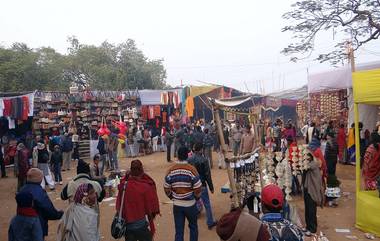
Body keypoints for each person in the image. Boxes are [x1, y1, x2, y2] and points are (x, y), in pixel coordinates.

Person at [164, 146, 202, 241]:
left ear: (177, 156)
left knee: (179, 231)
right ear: (187, 156)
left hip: (177, 205)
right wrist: (196, 198)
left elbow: (166, 188)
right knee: (193, 227)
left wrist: (172, 197)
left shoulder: (171, 170)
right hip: (190, 204)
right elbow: (198, 188)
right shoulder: (192, 170)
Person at [116, 160, 160, 241]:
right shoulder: (145, 187)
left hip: (128, 227)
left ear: (131, 170)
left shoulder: (123, 186)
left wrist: (127, 175)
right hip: (141, 226)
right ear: (141, 170)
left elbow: (118, 205)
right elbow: (151, 207)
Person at [19, 168, 63, 238]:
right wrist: (59, 214)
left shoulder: (22, 189)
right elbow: (48, 209)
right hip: (37, 224)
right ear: (39, 179)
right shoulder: (39, 192)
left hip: (21, 224)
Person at [188, 143, 217, 230]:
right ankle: (210, 222)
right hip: (202, 184)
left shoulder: (189, 159)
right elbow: (208, 175)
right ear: (200, 150)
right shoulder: (204, 160)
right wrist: (211, 187)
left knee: (194, 201)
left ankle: (194, 217)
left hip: (192, 184)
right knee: (207, 204)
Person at [302, 153, 324, 236]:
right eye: (305, 158)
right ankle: (308, 227)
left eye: (307, 158)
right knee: (307, 209)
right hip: (307, 190)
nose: (306, 159)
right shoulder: (308, 164)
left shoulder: (313, 164)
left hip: (312, 191)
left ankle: (313, 229)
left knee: (311, 210)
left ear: (310, 158)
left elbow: (305, 167)